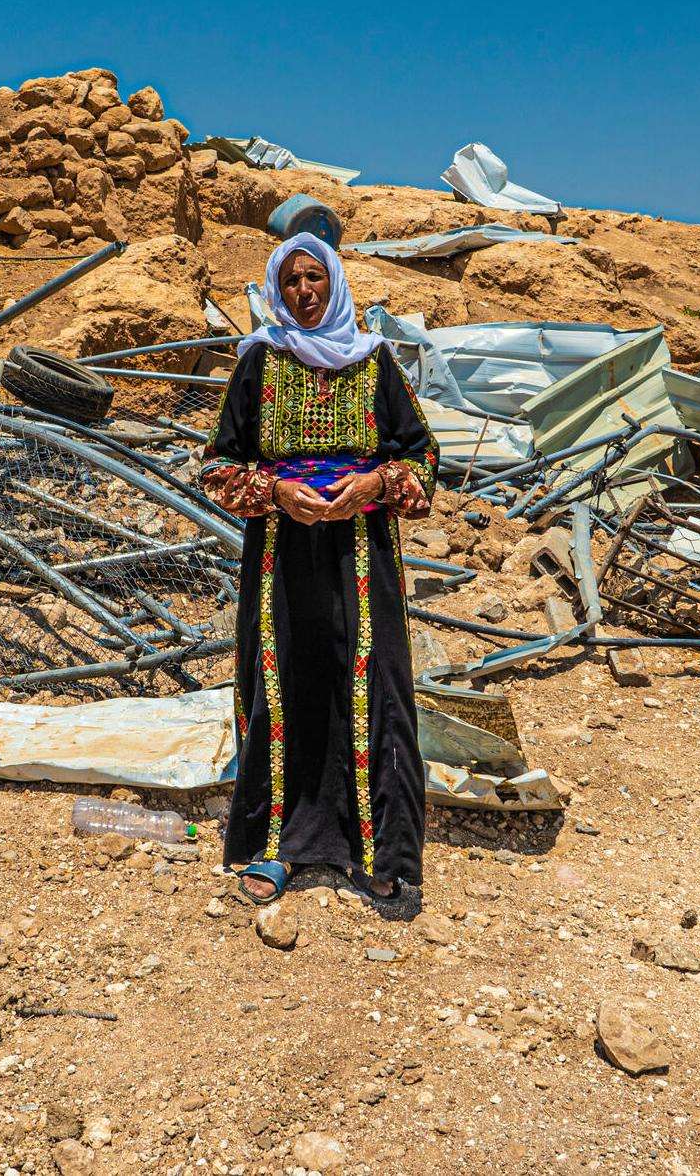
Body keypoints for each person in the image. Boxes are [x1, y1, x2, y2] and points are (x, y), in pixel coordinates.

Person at [200, 233, 438, 904]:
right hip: (281, 554)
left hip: (362, 553)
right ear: (279, 290)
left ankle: (376, 851)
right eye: (292, 281)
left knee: (371, 689)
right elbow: (218, 464)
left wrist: (376, 483)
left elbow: (424, 459)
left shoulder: (377, 363)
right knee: (281, 685)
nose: (304, 292)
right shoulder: (257, 363)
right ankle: (275, 847)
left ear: (335, 283)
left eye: (315, 279)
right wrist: (275, 493)